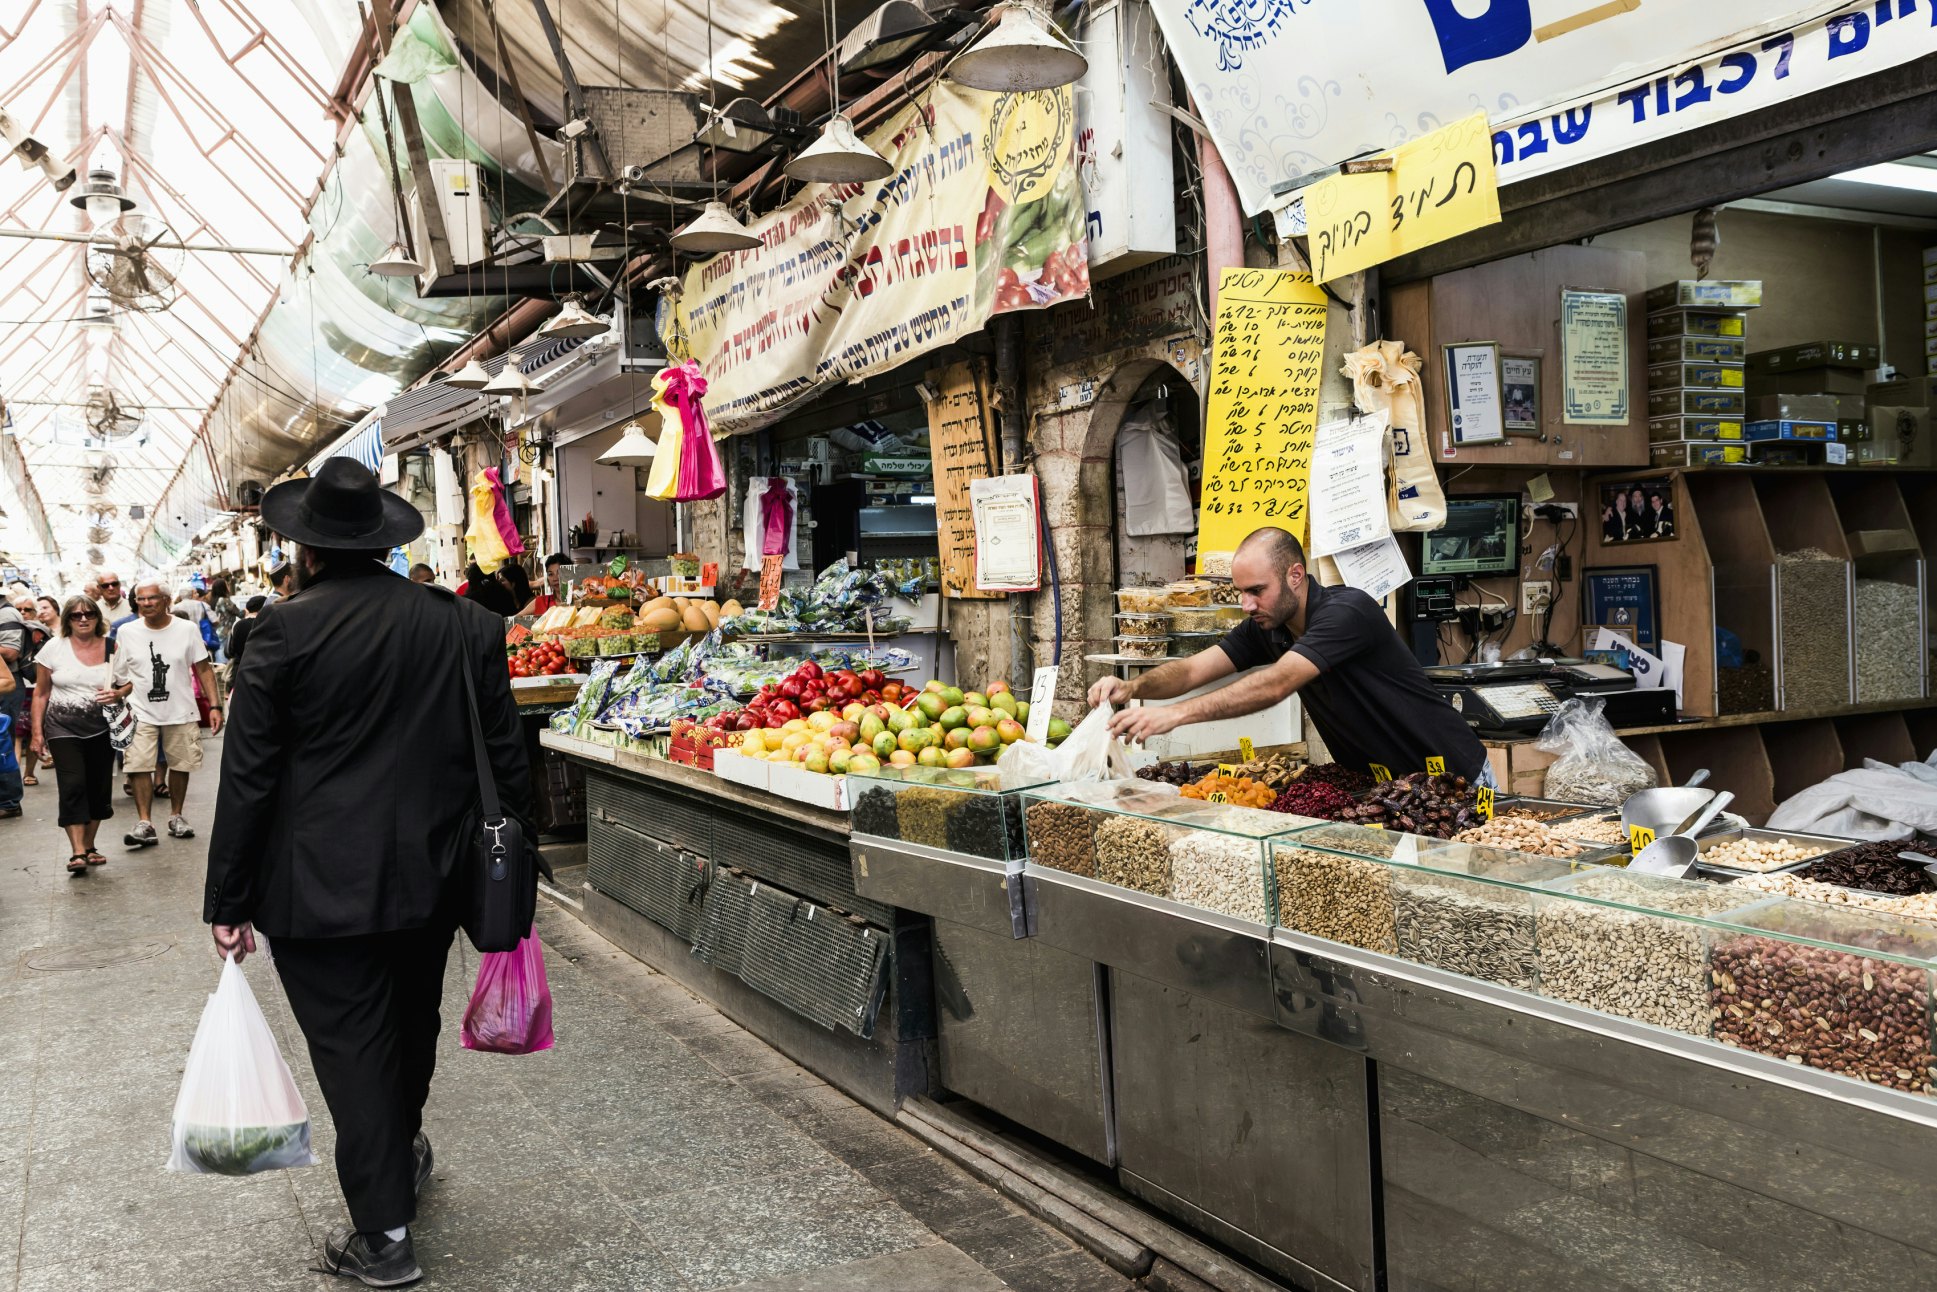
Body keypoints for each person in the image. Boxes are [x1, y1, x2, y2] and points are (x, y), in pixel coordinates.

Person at [205, 458, 528, 1287]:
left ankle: (383, 1235)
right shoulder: (466, 626)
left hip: (314, 887)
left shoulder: (279, 631)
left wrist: (228, 899)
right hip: (436, 875)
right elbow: (506, 762)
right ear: (384, 544)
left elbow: (248, 778)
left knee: (351, 1046)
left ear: (304, 549)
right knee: (410, 1023)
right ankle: (401, 1152)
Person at [1093, 527, 1491, 782]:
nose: (1247, 605)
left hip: (1452, 775)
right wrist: (1131, 687)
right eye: (1240, 593)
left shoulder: (1347, 612)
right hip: (1385, 785)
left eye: (1256, 590)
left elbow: (1277, 682)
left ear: (1295, 576)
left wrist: (1177, 714)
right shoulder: (1267, 626)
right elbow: (1195, 669)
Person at [112, 578, 222, 846]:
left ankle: (176, 816)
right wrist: (117, 696)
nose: (146, 603)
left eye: (152, 598)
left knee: (180, 764)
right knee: (138, 765)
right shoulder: (127, 632)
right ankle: (145, 822)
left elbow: (203, 668)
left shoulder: (186, 629)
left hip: (180, 709)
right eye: (141, 599)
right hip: (140, 710)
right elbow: (121, 675)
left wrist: (215, 705)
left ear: (166, 600)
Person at [31, 596, 118, 874]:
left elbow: (126, 683)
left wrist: (117, 693)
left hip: (102, 728)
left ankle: (90, 847)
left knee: (98, 788)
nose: (83, 619)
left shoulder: (110, 646)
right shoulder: (52, 648)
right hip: (62, 728)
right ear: (67, 618)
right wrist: (37, 733)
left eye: (89, 614)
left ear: (97, 617)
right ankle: (77, 851)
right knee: (73, 785)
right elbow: (41, 693)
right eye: (76, 615)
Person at [13, 597, 48, 787]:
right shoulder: (9, 630)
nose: (23, 612)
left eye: (27, 609)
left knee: (34, 731)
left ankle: (29, 773)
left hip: (36, 688)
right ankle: (15, 777)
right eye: (19, 609)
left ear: (34, 612)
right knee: (16, 734)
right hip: (17, 687)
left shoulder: (40, 633)